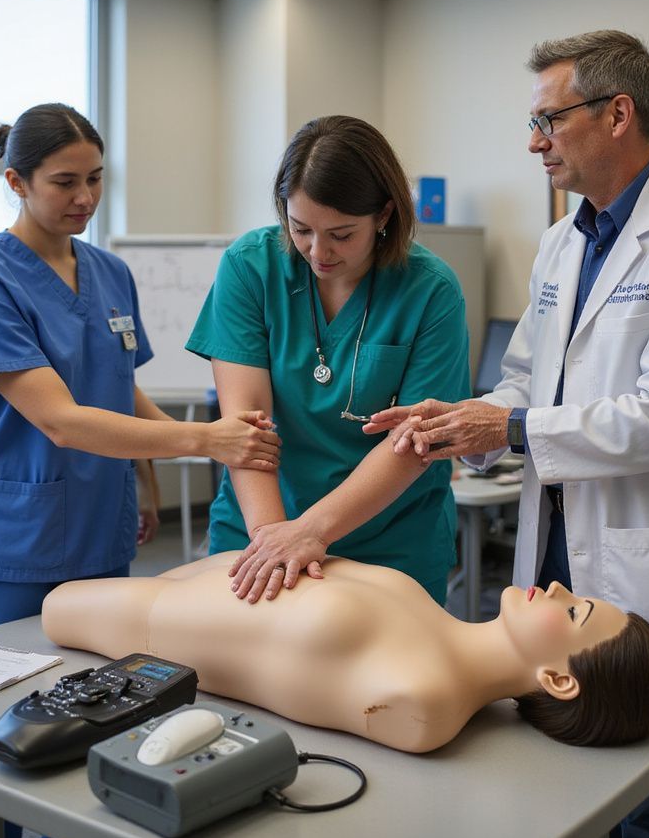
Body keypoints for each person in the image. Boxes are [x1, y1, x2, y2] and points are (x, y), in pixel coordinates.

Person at [366, 31, 649, 838]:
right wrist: (466, 421)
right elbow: (527, 381)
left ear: (617, 114)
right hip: (555, 554)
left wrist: (510, 427)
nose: (533, 142)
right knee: (553, 772)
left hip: (647, 560)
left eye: (547, 120)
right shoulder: (563, 241)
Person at [0, 102, 280, 838]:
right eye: (64, 182)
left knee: (101, 719)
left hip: (97, 532)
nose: (84, 198)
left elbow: (120, 389)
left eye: (95, 179)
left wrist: (150, 480)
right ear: (16, 182)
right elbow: (60, 419)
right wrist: (205, 440)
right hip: (8, 542)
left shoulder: (109, 270)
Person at [185, 115, 470, 606]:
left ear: (383, 215)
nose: (319, 252)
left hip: (390, 539)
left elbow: (416, 439)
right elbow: (247, 425)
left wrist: (312, 532)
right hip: (262, 521)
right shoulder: (250, 266)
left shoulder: (431, 291)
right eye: (301, 229)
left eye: (342, 234)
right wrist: (274, 541)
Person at [42, 552, 649, 753]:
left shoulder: (422, 698)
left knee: (53, 604)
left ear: (558, 681)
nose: (559, 588)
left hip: (147, 625)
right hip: (190, 581)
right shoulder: (432, 621)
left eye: (574, 611)